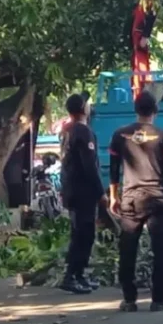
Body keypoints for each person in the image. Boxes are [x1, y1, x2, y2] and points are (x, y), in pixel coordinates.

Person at [109, 91, 163, 312]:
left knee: (127, 247)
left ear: (135, 109)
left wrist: (114, 196)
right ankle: (159, 299)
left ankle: (129, 299)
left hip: (131, 198)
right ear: (155, 110)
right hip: (158, 198)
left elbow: (113, 168)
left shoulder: (119, 135)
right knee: (160, 249)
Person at [58, 93, 106, 295]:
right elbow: (89, 166)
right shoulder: (83, 132)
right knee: (83, 234)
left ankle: (78, 274)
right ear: (83, 108)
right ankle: (71, 276)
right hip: (83, 191)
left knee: (82, 233)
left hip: (72, 189)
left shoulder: (67, 131)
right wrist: (100, 192)